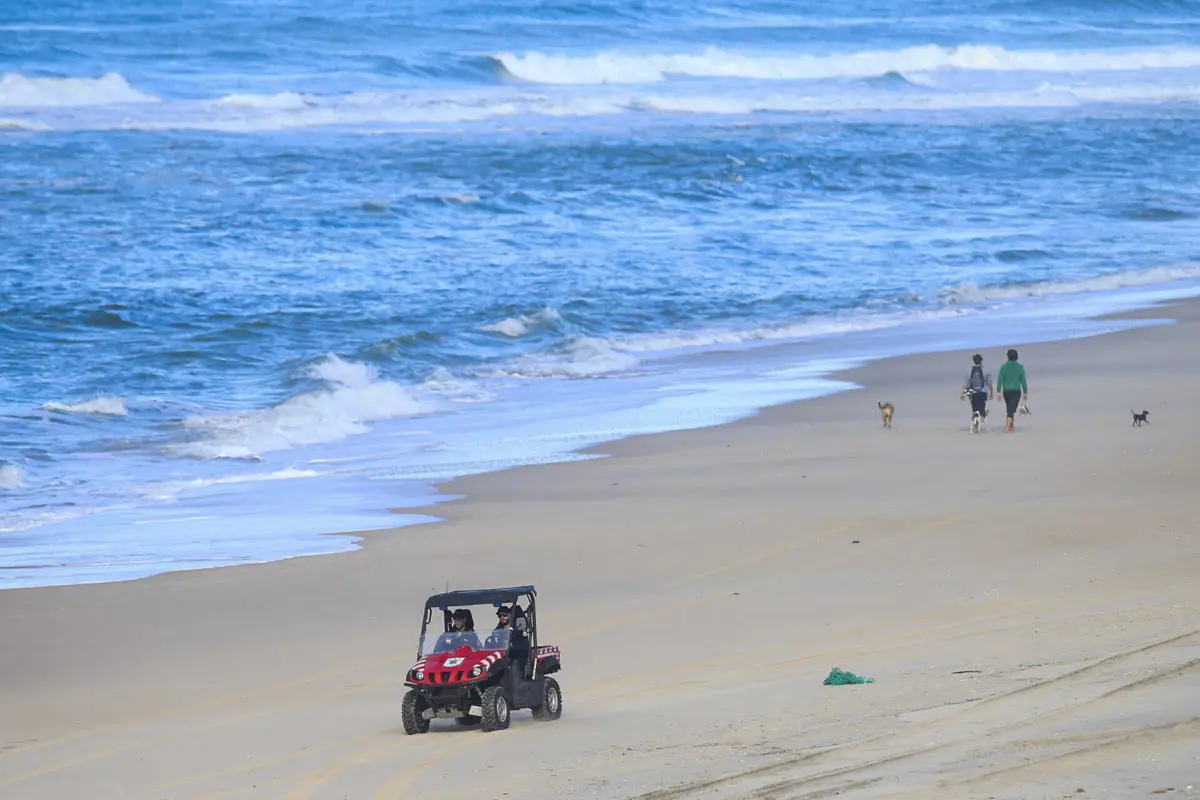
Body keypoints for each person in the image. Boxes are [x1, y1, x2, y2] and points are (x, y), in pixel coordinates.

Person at [995, 348, 1029, 434]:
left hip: (1006, 391)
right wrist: (1025, 391)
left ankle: (1011, 425)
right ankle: (1007, 428)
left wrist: (998, 391)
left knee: (1010, 408)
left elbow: (1000, 380)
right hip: (1016, 391)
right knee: (1011, 409)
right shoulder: (1020, 367)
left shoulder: (1003, 367)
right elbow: (1023, 380)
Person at [960, 353, 993, 424]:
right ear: (981, 361)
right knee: (981, 408)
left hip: (972, 393)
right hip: (983, 392)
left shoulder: (969, 371)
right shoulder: (985, 371)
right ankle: (982, 416)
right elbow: (989, 383)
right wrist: (991, 393)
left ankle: (975, 427)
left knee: (975, 410)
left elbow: (966, 384)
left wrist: (963, 394)